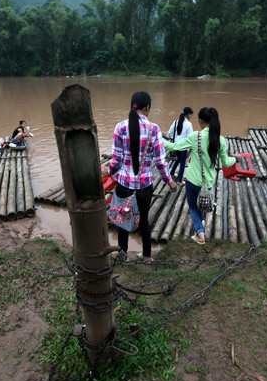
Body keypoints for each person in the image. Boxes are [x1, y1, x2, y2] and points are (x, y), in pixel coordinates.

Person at [102, 91, 177, 263]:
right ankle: (147, 255)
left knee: (122, 219)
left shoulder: (120, 127)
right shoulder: (154, 129)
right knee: (143, 220)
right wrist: (170, 182)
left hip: (124, 184)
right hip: (144, 186)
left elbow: (117, 159)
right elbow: (160, 161)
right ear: (147, 108)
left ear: (131, 106)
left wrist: (110, 172)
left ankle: (122, 255)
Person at [163, 107, 244, 244]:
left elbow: (173, 147)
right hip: (209, 182)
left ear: (200, 121)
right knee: (202, 204)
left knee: (193, 207)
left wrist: (158, 139)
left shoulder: (196, 137)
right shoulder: (220, 140)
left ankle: (200, 233)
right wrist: (236, 158)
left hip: (192, 180)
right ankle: (200, 224)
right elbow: (226, 162)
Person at [167, 107, 194, 186]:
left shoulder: (176, 122)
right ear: (188, 115)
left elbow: (170, 133)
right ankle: (179, 181)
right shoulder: (188, 124)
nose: (191, 116)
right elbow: (190, 137)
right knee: (182, 163)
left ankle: (171, 173)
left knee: (178, 159)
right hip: (183, 147)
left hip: (175, 146)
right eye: (191, 114)